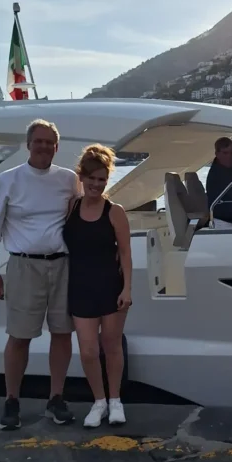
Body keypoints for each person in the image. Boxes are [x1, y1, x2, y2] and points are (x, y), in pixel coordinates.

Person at [0, 119, 79, 431]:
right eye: (39, 141)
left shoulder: (68, 179)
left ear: (57, 147)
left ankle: (56, 398)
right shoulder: (8, 180)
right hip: (23, 266)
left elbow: (80, 219)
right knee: (19, 336)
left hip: (64, 265)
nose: (44, 147)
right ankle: (11, 401)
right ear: (28, 144)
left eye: (50, 142)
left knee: (63, 333)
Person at [63, 144, 132, 428]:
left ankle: (116, 400)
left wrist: (127, 289)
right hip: (80, 287)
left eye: (102, 179)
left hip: (111, 286)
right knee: (88, 350)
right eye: (91, 178)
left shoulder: (114, 211)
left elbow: (126, 253)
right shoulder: (71, 206)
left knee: (111, 346)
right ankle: (99, 401)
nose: (96, 184)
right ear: (81, 176)